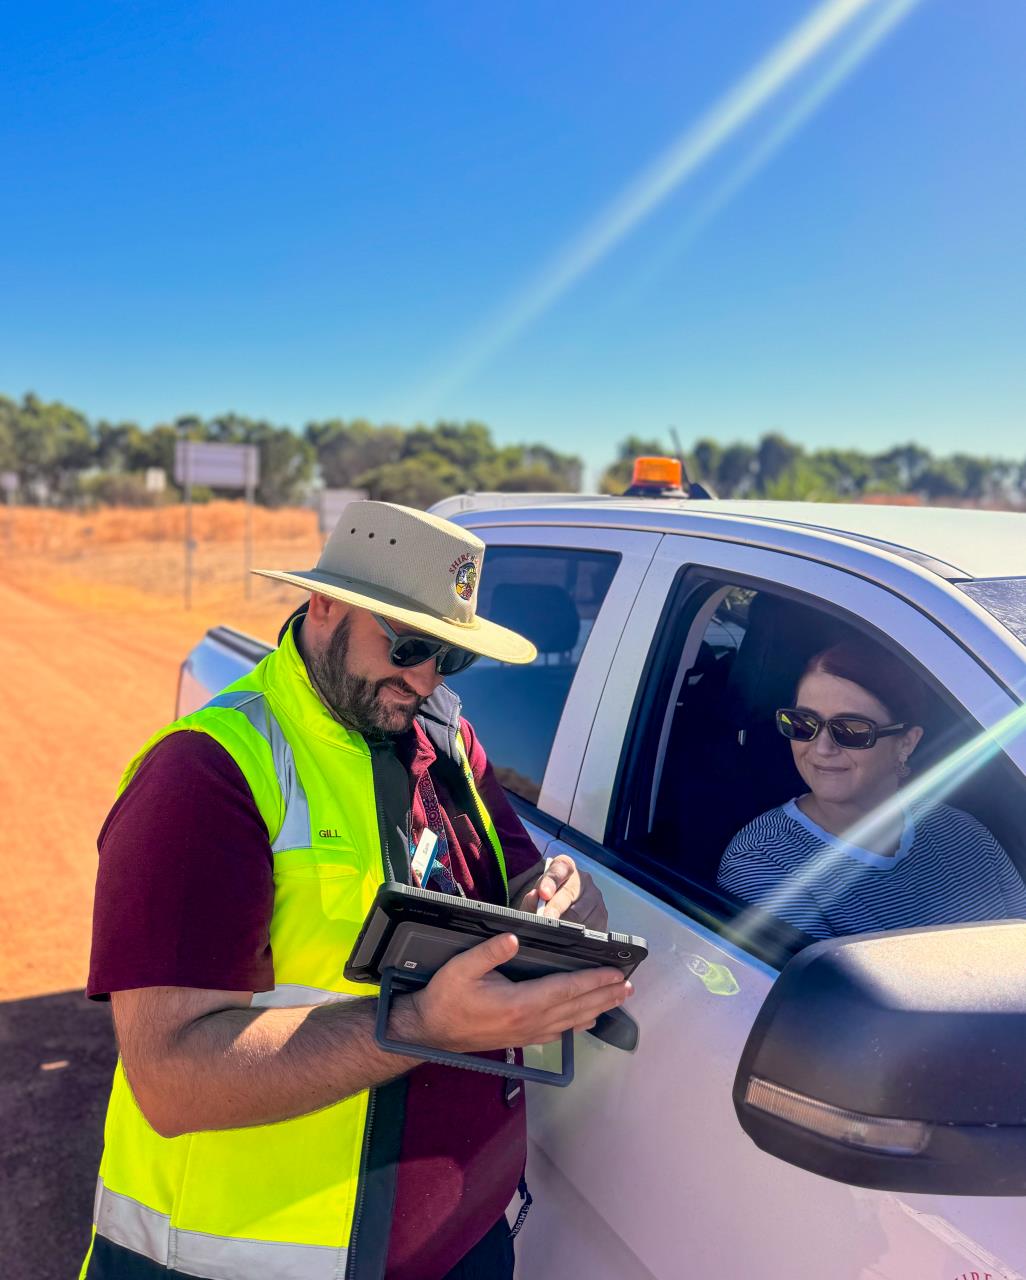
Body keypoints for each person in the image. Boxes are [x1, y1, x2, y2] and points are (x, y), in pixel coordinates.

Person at [81, 500, 630, 1280]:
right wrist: (420, 1025)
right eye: (406, 643)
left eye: (449, 655)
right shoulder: (207, 774)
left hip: (461, 1239)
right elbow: (171, 1080)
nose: (425, 677)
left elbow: (525, 875)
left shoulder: (442, 735)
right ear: (325, 603)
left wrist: (565, 897)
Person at [717, 638, 1026, 939]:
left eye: (852, 730)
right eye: (803, 723)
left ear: (906, 742)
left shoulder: (964, 834)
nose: (821, 747)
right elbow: (822, 991)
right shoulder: (764, 863)